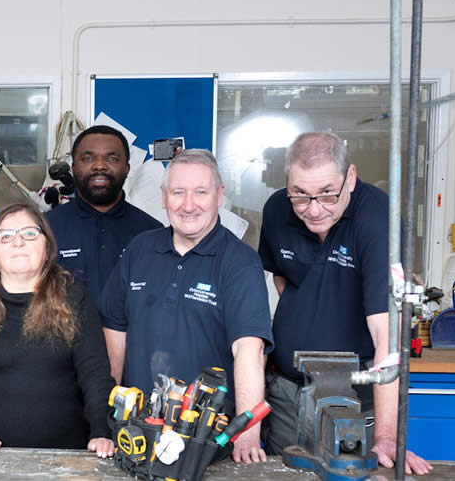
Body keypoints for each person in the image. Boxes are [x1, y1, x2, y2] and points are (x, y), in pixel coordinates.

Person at [258, 132, 431, 474]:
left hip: (354, 396)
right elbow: (281, 276)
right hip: (288, 391)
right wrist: (312, 314)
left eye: (327, 194)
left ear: (350, 177)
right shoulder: (277, 209)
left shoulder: (377, 218)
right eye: (301, 196)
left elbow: (387, 336)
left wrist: (385, 436)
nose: (314, 209)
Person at [99, 149, 273, 463]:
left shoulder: (240, 263)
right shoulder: (139, 250)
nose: (188, 205)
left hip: (206, 440)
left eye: (200, 192)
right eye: (178, 192)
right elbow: (114, 333)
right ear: (164, 197)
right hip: (136, 431)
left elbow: (249, 350)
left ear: (219, 196)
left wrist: (247, 433)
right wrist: (106, 417)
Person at [0, 203, 116, 457]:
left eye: (29, 233)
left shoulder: (75, 298)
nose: (18, 242)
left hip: (64, 458)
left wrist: (101, 431)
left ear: (47, 247)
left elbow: (96, 375)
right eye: (6, 236)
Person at [46, 125, 162, 303]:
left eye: (112, 158)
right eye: (88, 158)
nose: (100, 166)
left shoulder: (152, 233)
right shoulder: (45, 229)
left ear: (127, 168)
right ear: (74, 167)